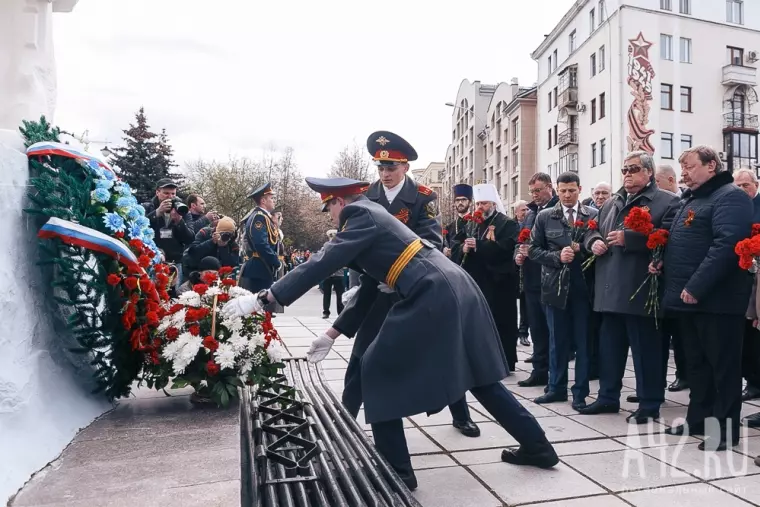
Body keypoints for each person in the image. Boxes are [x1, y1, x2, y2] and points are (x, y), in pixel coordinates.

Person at [221, 177, 559, 490]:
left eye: (330, 210)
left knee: (375, 369)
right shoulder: (373, 213)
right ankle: (538, 446)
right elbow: (371, 284)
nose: (332, 219)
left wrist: (267, 298)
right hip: (451, 284)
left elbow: (322, 261)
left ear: (339, 201)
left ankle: (397, 470)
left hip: (430, 291)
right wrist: (333, 333)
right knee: (481, 377)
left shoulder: (359, 213)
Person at [332, 131, 480, 438]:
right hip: (376, 287)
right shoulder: (366, 196)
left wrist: (403, 271)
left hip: (414, 285)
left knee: (441, 350)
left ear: (405, 168)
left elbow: (432, 239)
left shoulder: (424, 196)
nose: (385, 174)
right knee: (363, 351)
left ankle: (460, 412)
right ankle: (345, 415)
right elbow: (356, 243)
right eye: (380, 168)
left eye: (392, 168)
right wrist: (359, 282)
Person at [659, 145, 753, 451]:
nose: (684, 172)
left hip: (717, 301)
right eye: (682, 167)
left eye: (689, 166)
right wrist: (661, 261)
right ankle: (698, 418)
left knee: (722, 366)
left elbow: (727, 246)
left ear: (711, 165)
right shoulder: (693, 198)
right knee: (697, 365)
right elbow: (684, 242)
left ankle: (725, 431)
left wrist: (697, 286)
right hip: (688, 300)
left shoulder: (730, 196)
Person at [579, 151, 679, 423]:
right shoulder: (611, 202)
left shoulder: (667, 201)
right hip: (609, 288)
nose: (627, 174)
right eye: (624, 169)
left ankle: (649, 403)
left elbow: (670, 240)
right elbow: (591, 229)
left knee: (646, 351)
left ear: (648, 172)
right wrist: (593, 242)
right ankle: (608, 397)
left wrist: (630, 239)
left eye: (633, 169)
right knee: (609, 349)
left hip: (640, 288)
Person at [528, 172, 597, 411]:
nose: (567, 195)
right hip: (554, 289)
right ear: (557, 190)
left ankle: (580, 392)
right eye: (563, 190)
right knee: (557, 341)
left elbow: (601, 251)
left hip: (584, 290)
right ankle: (556, 388)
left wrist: (584, 250)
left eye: (572, 190)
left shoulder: (593, 216)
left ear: (580, 189)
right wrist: (557, 256)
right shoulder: (546, 217)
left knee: (583, 342)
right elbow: (534, 251)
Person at [453, 183, 519, 372]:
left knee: (500, 322)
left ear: (493, 204)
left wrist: (479, 246)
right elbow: (456, 242)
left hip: (499, 283)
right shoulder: (472, 223)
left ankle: (504, 362)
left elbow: (507, 247)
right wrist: (463, 248)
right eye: (479, 203)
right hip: (477, 281)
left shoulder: (507, 223)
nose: (480, 207)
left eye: (484, 203)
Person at [515, 173, 558, 388]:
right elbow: (521, 238)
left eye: (538, 190)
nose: (535, 195)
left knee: (554, 331)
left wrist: (532, 251)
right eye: (532, 191)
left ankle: (556, 377)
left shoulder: (559, 208)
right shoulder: (531, 212)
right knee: (537, 329)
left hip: (551, 278)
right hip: (532, 279)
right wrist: (519, 253)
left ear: (550, 187)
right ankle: (539, 371)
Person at [734, 168, 760, 422]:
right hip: (741, 284)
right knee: (747, 342)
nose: (742, 189)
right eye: (737, 185)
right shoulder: (733, 207)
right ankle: (752, 382)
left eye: (745, 185)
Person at [141, 178, 195, 283]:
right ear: (157, 192)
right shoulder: (147, 208)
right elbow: (140, 229)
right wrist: (156, 213)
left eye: (173, 194)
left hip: (174, 262)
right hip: (152, 260)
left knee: (172, 296)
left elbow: (190, 238)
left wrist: (179, 221)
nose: (170, 197)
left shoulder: (183, 211)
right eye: (166, 193)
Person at [239, 182, 280, 293]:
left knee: (263, 307)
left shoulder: (264, 217)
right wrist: (275, 261)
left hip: (262, 266)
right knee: (260, 306)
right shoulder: (259, 217)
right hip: (259, 267)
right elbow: (261, 244)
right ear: (263, 201)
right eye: (271, 198)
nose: (273, 201)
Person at [514, 200, 531, 346]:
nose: (526, 213)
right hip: (515, 269)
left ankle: (523, 332)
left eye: (527, 210)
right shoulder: (513, 226)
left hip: (527, 270)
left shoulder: (531, 224)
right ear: (516, 213)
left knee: (526, 303)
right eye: (523, 210)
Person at [443, 183, 473, 263]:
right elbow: (446, 245)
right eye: (457, 200)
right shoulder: (449, 227)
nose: (460, 202)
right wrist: (444, 250)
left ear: (470, 202)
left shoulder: (476, 223)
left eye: (463, 200)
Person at [321, 229, 345, 318]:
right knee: (327, 294)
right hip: (328, 274)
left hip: (339, 274)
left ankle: (340, 312)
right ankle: (326, 311)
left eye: (333, 235)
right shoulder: (325, 247)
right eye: (330, 236)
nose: (332, 238)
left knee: (340, 295)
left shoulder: (341, 247)